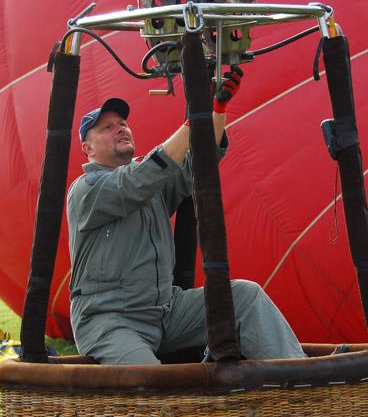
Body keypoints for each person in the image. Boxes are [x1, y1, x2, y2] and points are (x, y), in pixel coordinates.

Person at [66, 69, 306, 365]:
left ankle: (301, 383)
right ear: (87, 149)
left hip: (165, 310)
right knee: (153, 384)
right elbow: (135, 183)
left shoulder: (153, 183)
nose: (120, 129)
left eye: (123, 123)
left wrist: (216, 109)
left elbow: (200, 162)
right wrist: (194, 120)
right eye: (106, 127)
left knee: (245, 297)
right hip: (110, 319)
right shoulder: (87, 190)